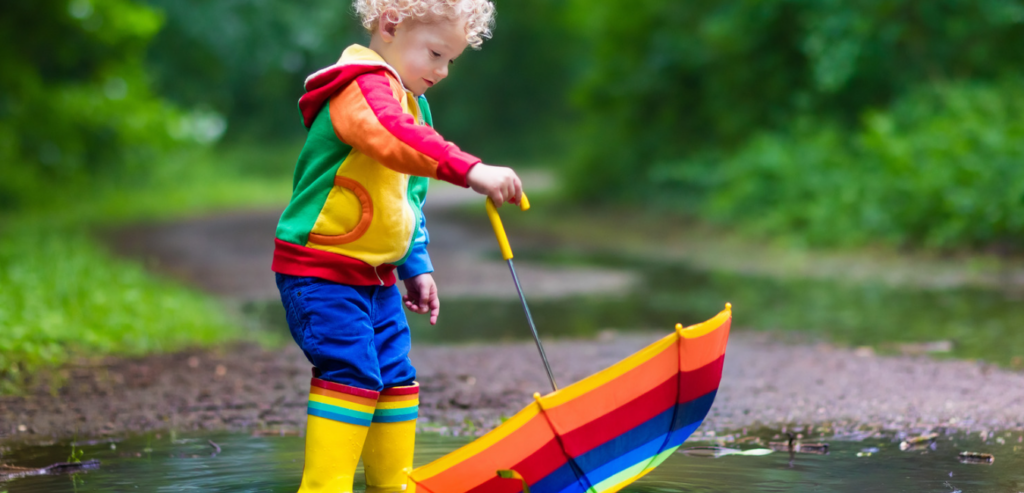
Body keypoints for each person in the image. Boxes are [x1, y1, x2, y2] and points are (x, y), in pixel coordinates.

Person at [272, 0, 519, 491]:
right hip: (320, 270)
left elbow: (406, 197)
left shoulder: (411, 102)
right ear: (390, 25)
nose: (443, 71)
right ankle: (324, 486)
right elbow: (392, 137)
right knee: (352, 372)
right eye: (435, 54)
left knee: (395, 377)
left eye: (451, 60)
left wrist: (415, 264)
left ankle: (393, 484)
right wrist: (469, 169)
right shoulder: (358, 87)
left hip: (376, 275)